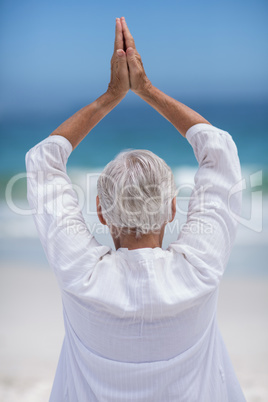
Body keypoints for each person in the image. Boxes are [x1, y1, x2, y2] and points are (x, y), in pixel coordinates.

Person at [26, 17, 245, 402]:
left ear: (100, 211)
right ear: (174, 208)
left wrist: (110, 96)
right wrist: (145, 89)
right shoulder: (200, 271)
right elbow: (220, 150)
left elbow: (43, 163)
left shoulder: (81, 277)